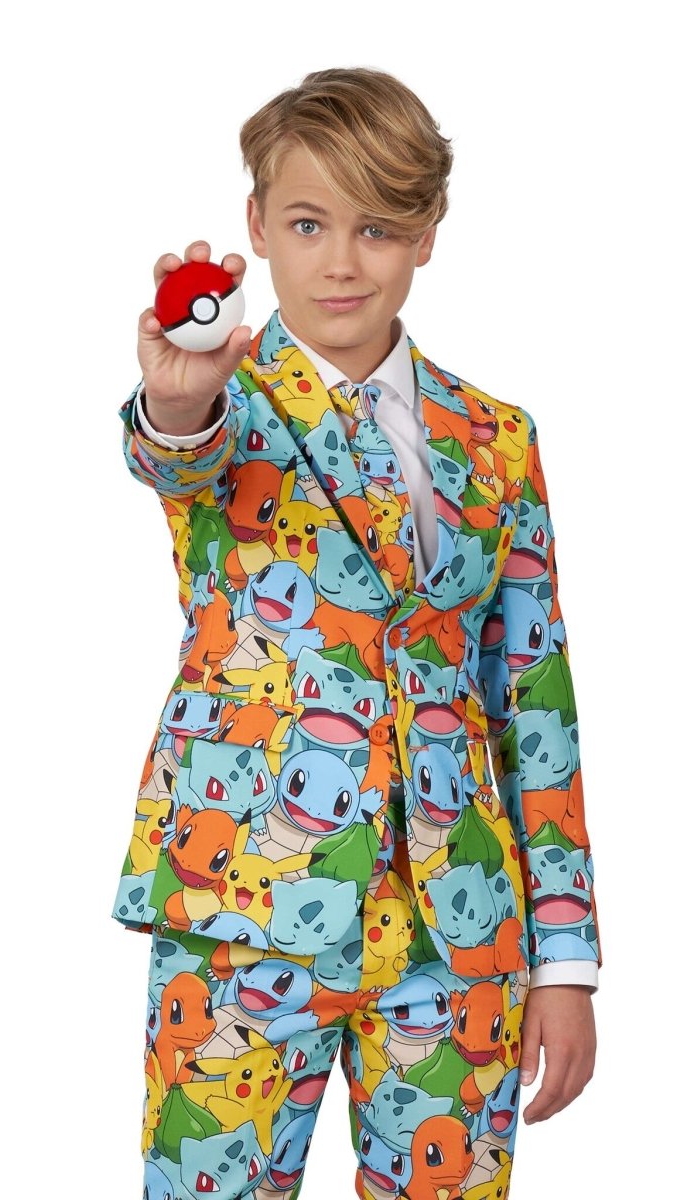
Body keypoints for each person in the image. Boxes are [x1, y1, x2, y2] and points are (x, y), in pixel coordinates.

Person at [111, 67, 602, 1200]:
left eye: (377, 228)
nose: (341, 261)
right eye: (308, 224)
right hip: (243, 906)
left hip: (458, 926)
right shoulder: (226, 401)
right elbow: (172, 451)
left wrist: (566, 956)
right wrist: (174, 400)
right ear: (255, 226)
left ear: (427, 234)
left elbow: (533, 699)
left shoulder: (498, 439)